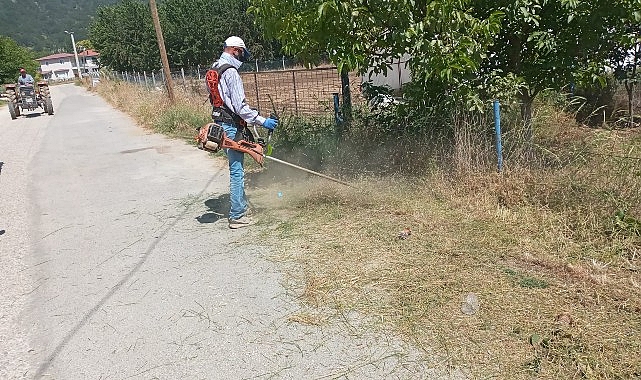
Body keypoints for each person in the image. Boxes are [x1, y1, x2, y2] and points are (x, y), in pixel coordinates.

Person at [211, 36, 278, 229]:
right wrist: (263, 120)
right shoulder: (230, 72)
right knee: (237, 171)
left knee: (235, 168)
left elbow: (221, 100)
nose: (241, 58)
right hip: (231, 125)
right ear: (234, 50)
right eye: (241, 53)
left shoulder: (214, 68)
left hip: (219, 123)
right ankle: (237, 215)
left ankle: (241, 206)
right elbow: (240, 106)